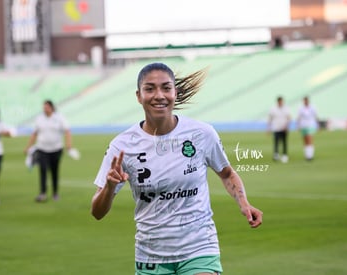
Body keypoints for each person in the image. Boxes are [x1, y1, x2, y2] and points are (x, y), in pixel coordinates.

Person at [91, 62, 263, 275]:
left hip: (199, 248)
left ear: (175, 92)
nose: (159, 95)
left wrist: (244, 203)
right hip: (151, 256)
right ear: (138, 96)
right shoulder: (122, 146)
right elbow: (97, 212)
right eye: (150, 88)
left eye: (166, 87)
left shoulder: (202, 134)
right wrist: (109, 187)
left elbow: (226, 173)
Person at [24, 100, 72, 202]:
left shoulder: (59, 118)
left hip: (56, 149)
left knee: (54, 171)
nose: (45, 109)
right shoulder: (39, 118)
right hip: (42, 149)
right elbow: (35, 133)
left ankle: (55, 193)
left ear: (51, 107)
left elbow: (67, 131)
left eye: (46, 107)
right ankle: (43, 193)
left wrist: (68, 144)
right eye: (44, 107)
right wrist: (28, 146)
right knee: (43, 170)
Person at [267, 96, 291, 163]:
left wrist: (286, 126)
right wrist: (268, 128)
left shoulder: (286, 108)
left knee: (284, 142)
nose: (280, 102)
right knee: (276, 141)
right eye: (279, 101)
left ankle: (284, 155)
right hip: (276, 127)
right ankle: (276, 154)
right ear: (278, 101)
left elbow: (288, 117)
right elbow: (270, 118)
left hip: (283, 127)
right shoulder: (273, 108)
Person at [297, 96, 319, 161]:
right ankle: (307, 155)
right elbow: (299, 117)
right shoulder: (301, 108)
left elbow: (316, 116)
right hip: (303, 125)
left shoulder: (312, 107)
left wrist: (318, 125)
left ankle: (310, 156)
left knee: (309, 139)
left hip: (310, 125)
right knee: (305, 140)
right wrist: (298, 126)